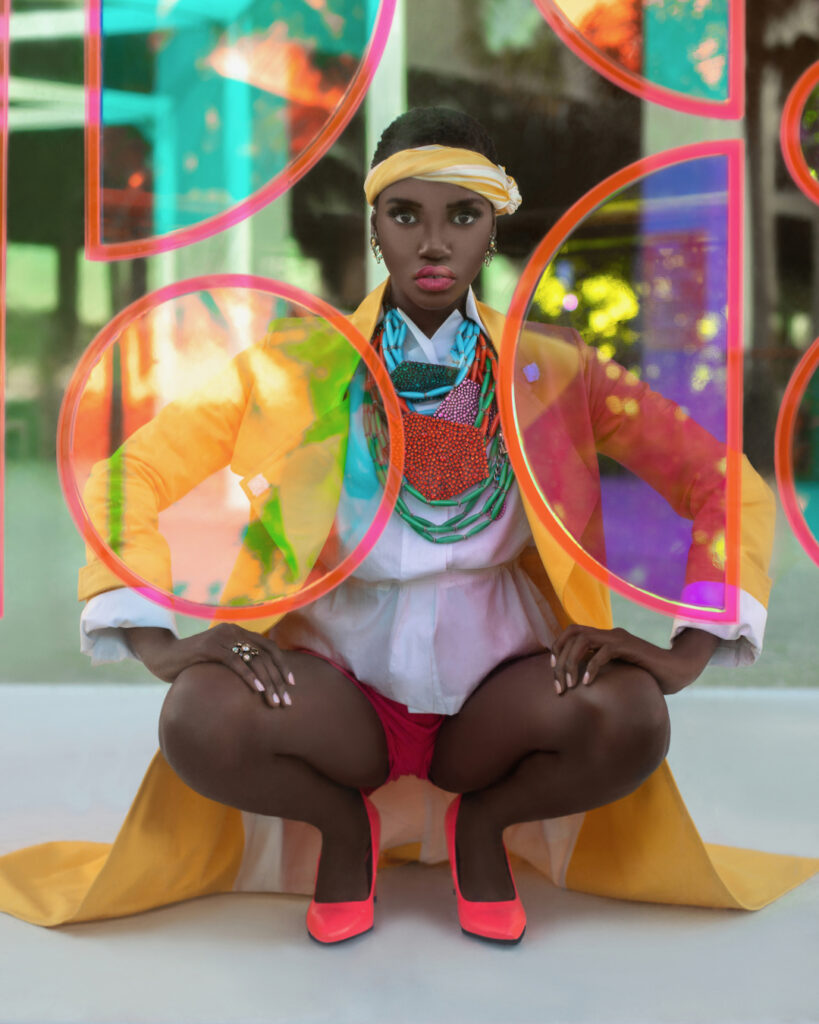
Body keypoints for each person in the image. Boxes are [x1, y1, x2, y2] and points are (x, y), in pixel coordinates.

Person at [0, 107, 815, 942]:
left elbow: (717, 478)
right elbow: (130, 474)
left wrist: (686, 647)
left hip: (503, 693)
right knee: (198, 721)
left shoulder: (557, 367)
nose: (433, 243)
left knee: (634, 718)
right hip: (337, 692)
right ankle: (341, 828)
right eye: (405, 215)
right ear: (375, 227)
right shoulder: (297, 365)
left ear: (493, 230)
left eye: (461, 216)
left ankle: (483, 825)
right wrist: (156, 637)